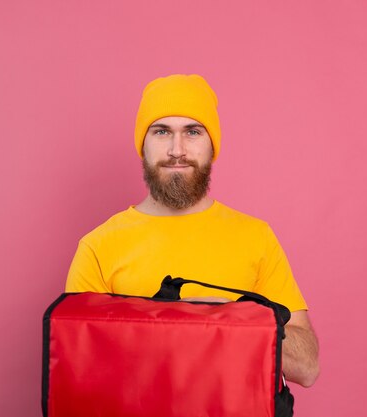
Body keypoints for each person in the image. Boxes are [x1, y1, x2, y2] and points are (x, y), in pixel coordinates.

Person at [65, 74, 320, 387]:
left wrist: (226, 320)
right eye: (161, 132)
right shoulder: (98, 247)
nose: (177, 150)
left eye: (192, 131)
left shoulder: (256, 237)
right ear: (142, 146)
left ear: (212, 146)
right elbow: (78, 373)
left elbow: (307, 367)